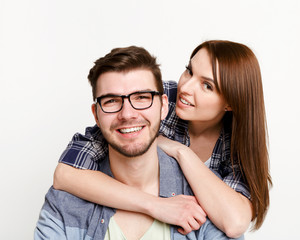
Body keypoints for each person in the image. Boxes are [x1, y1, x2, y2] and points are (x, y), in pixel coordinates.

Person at [53, 40, 272, 238]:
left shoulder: (236, 144)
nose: (186, 87)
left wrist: (181, 152)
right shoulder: (154, 99)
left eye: (207, 86)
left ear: (230, 103)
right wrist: (155, 205)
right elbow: (66, 174)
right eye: (189, 71)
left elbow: (235, 222)